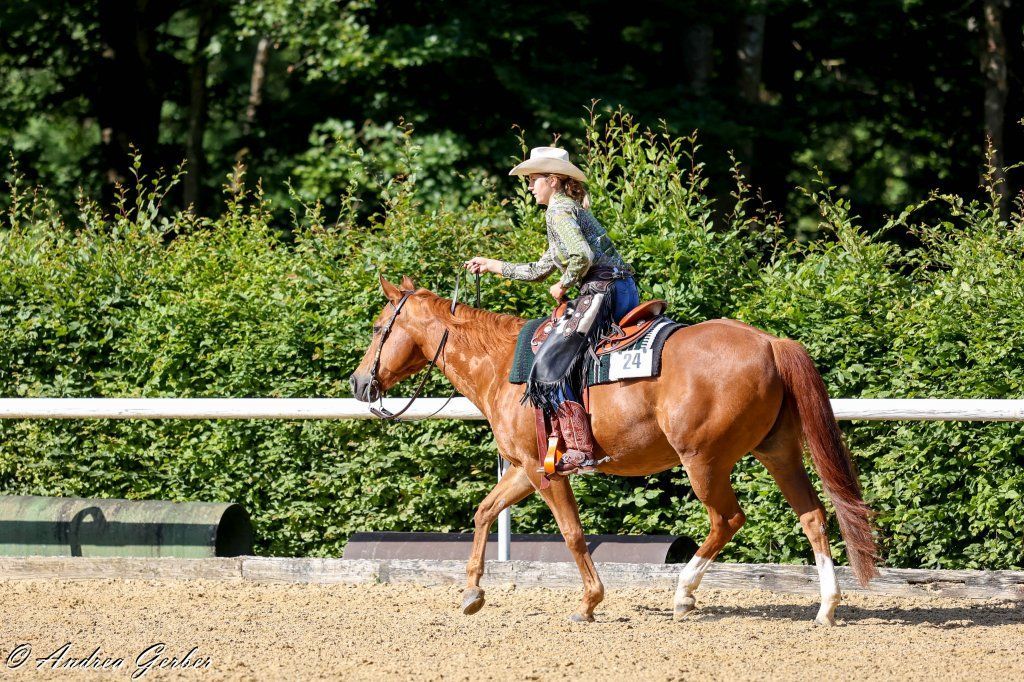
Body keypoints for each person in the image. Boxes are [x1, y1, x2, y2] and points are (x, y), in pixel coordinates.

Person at [464, 146, 639, 474]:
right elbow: (537, 269)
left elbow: (582, 257)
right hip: (622, 287)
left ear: (554, 180)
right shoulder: (565, 209)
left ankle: (579, 448)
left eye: (534, 179)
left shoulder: (558, 211)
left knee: (548, 366)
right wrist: (492, 265)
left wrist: (564, 285)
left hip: (603, 290)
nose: (530, 186)